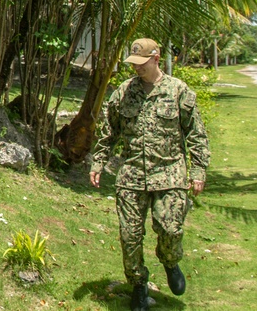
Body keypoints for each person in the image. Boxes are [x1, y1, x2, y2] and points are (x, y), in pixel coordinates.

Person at [89, 38, 210, 311]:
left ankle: (169, 260)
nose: (137, 69)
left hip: (169, 174)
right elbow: (109, 133)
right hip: (131, 176)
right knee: (129, 236)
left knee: (170, 229)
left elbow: (196, 134)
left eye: (142, 64)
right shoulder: (123, 92)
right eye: (134, 64)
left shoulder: (179, 91)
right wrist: (98, 163)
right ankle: (139, 285)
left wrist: (198, 170)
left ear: (156, 58)